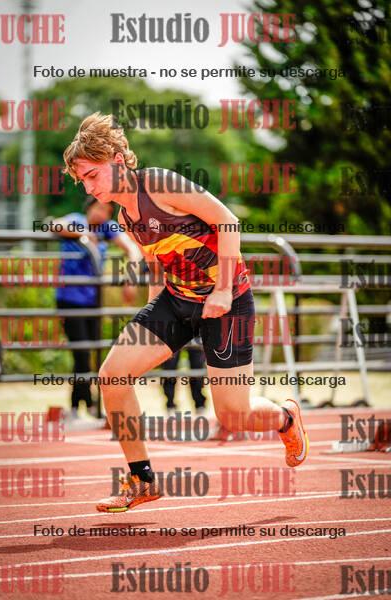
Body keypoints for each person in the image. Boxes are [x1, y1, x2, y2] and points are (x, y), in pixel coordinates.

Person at [63, 112, 309, 513]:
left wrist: (223, 290)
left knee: (233, 414)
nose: (89, 187)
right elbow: (156, 262)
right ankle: (142, 480)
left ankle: (285, 418)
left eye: (92, 175)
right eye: (82, 181)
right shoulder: (125, 216)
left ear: (118, 160)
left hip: (227, 301)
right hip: (177, 301)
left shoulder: (159, 183)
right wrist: (151, 315)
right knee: (112, 376)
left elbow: (228, 221)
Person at [53, 196, 141, 419]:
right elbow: (55, 224)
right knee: (81, 352)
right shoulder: (76, 220)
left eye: (107, 210)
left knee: (93, 352)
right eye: (99, 207)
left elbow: (132, 249)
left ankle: (83, 405)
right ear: (89, 206)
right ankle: (84, 404)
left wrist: (131, 279)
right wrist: (82, 235)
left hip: (94, 300)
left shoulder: (107, 227)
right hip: (69, 299)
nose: (101, 213)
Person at [161, 340, 207, 414]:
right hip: (173, 335)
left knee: (197, 368)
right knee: (169, 369)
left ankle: (200, 404)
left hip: (194, 336)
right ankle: (170, 405)